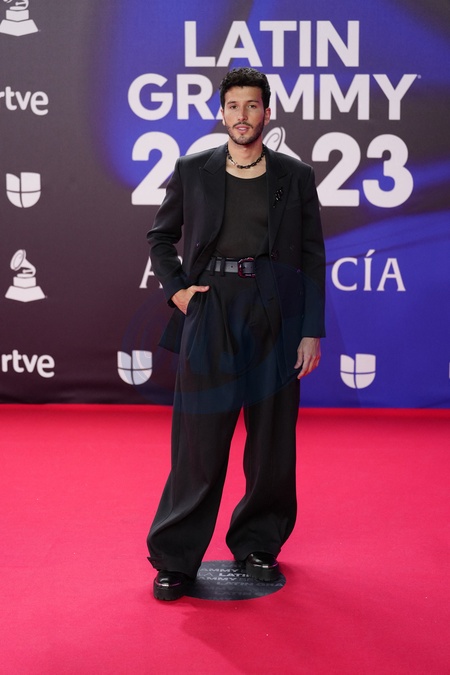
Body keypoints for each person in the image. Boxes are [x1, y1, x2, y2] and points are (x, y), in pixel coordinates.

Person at [146, 67, 325, 601]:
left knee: (272, 442)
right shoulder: (193, 170)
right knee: (198, 444)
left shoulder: (295, 176)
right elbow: (160, 237)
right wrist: (179, 291)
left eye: (251, 106)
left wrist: (310, 331)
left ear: (267, 113)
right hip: (211, 309)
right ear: (221, 113)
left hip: (275, 313)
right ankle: (176, 558)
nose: (242, 116)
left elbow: (313, 257)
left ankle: (258, 545)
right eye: (233, 106)